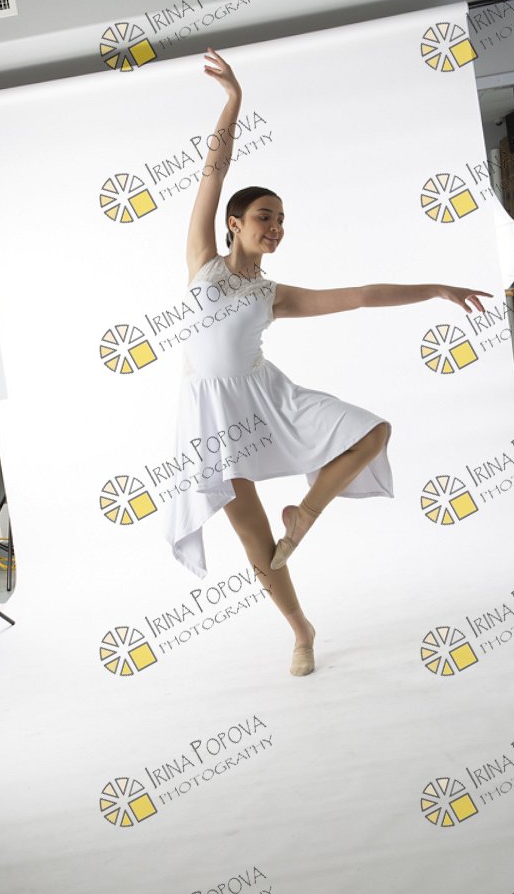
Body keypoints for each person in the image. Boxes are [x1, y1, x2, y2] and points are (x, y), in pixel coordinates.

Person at [166, 47, 491, 677]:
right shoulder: (202, 260)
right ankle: (301, 631)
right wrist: (233, 101)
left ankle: (306, 513)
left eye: (282, 220)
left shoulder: (273, 294)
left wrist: (437, 288)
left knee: (372, 432)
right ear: (234, 223)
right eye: (265, 217)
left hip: (265, 399)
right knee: (255, 543)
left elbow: (362, 295)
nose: (275, 227)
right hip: (210, 416)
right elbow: (213, 171)